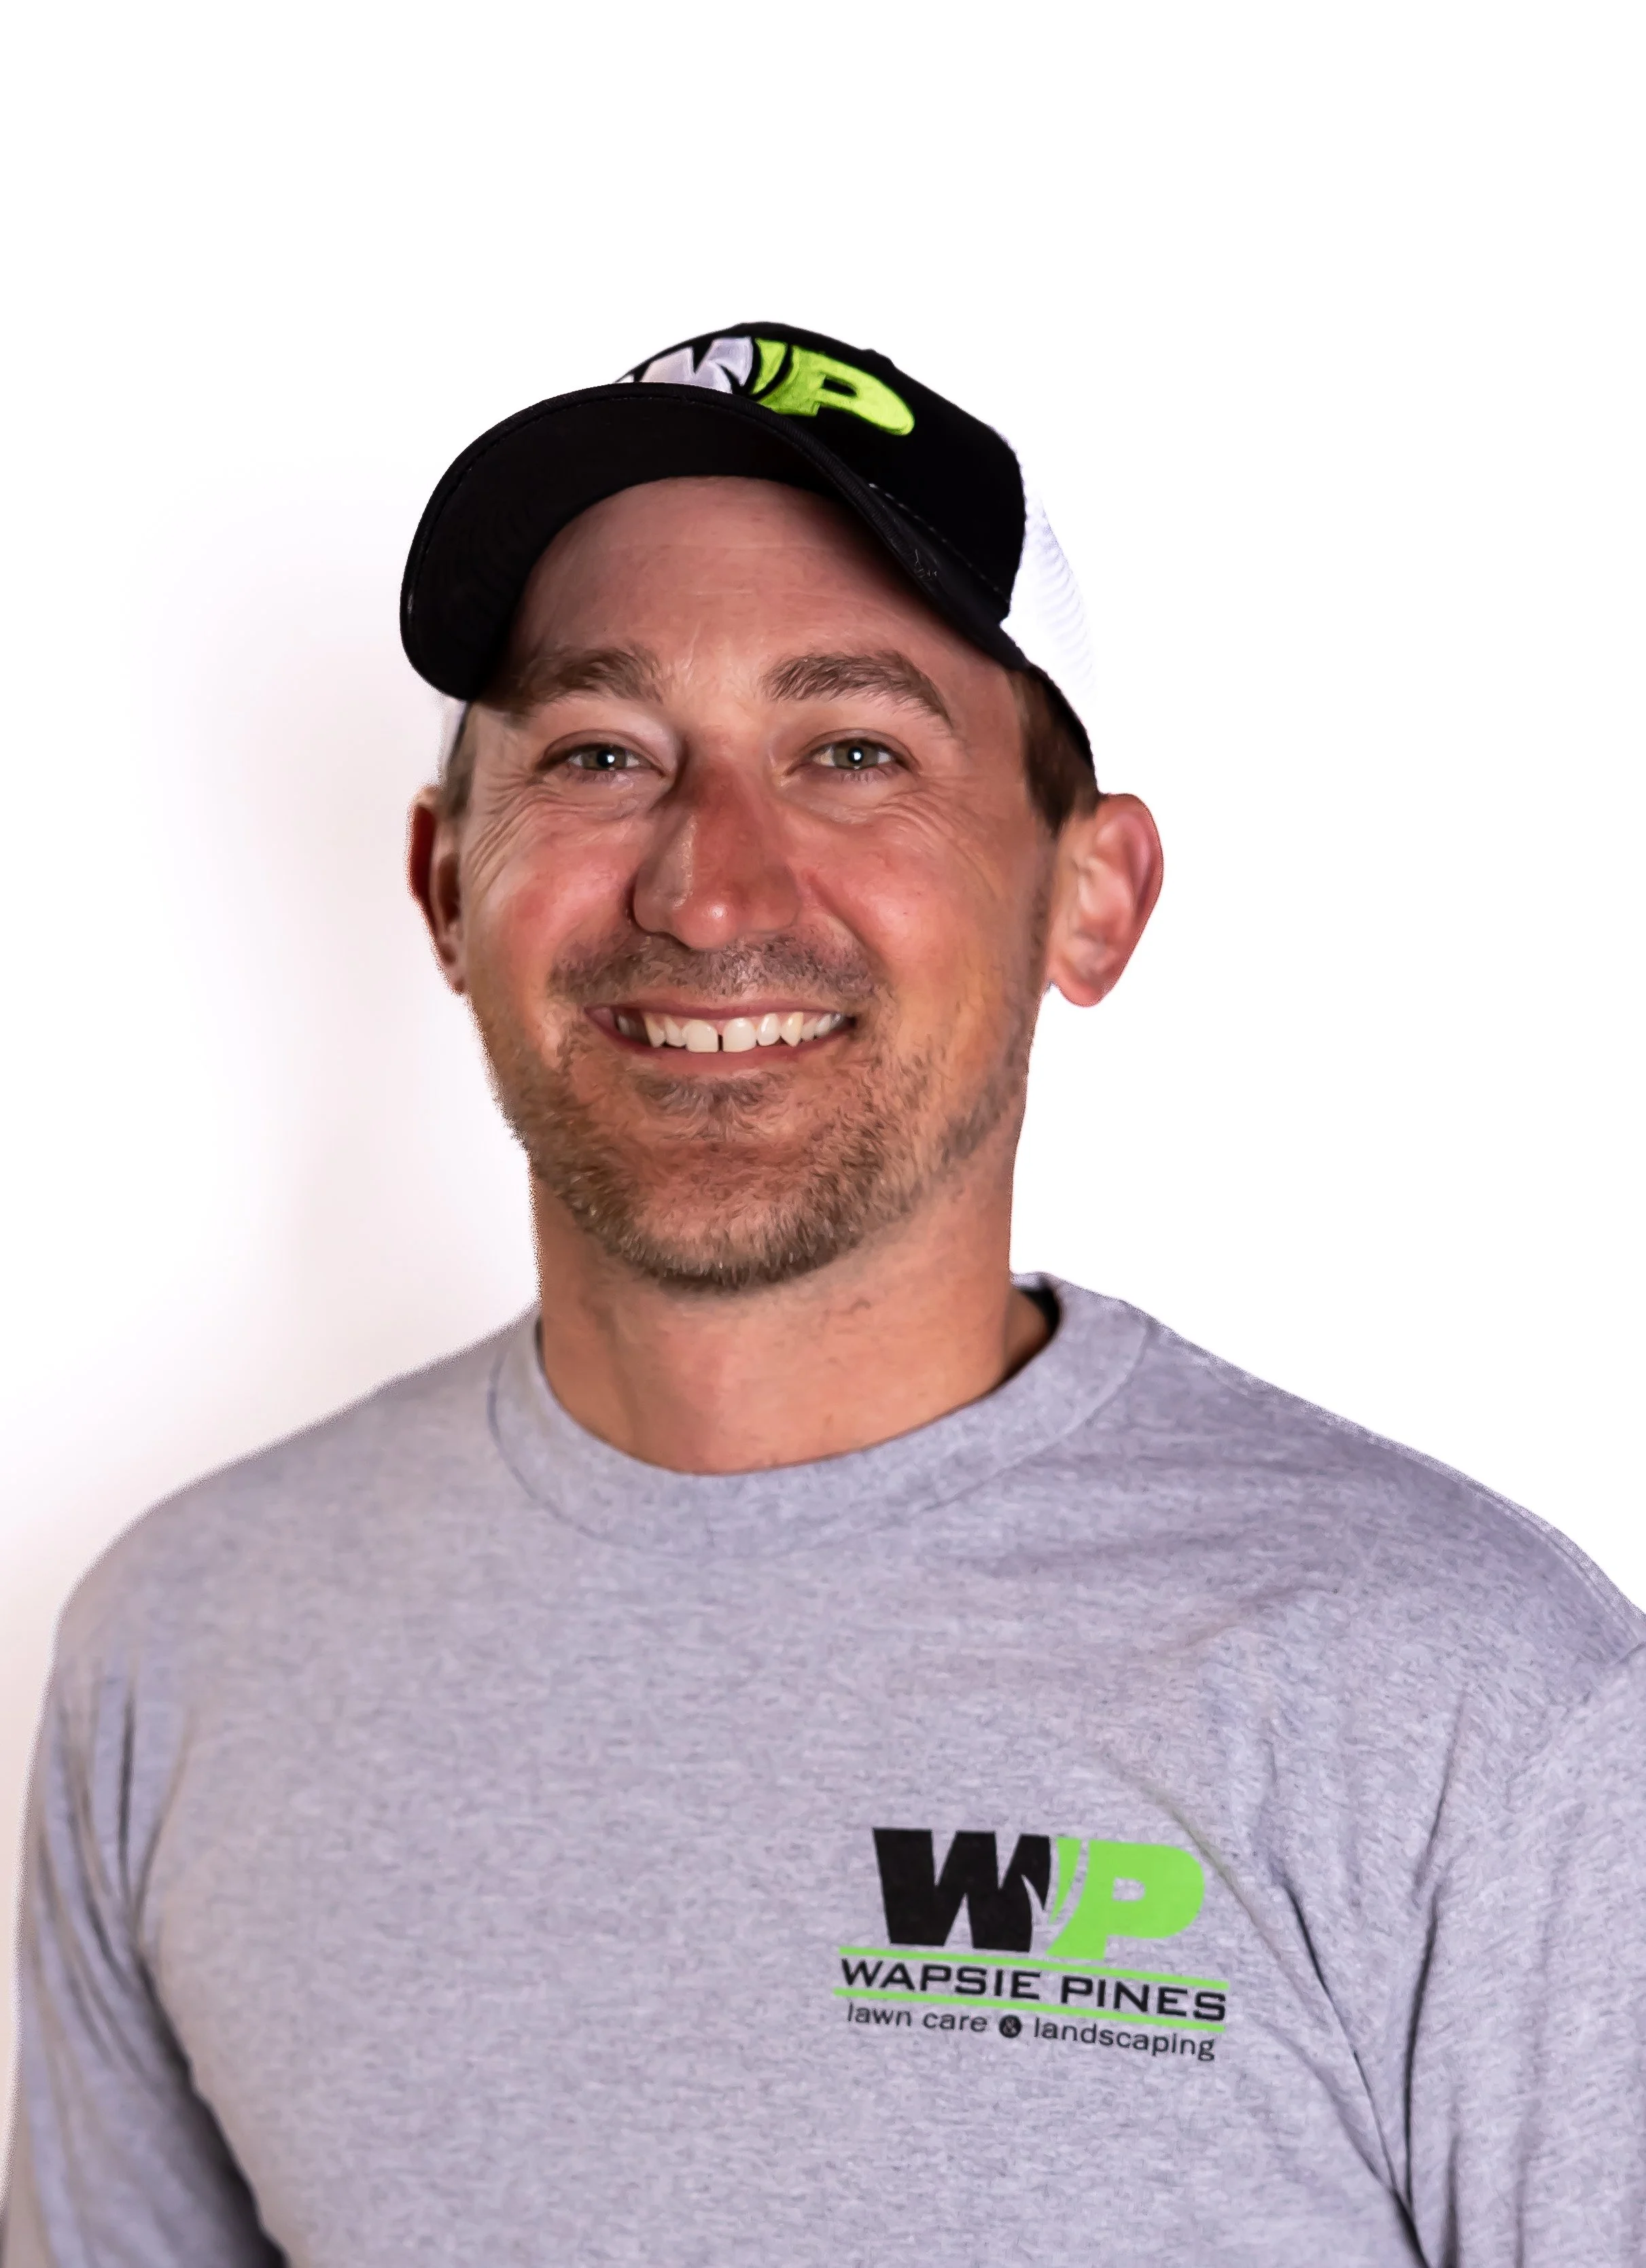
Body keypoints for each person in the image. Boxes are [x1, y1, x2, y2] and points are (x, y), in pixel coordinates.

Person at [3, 323, 1642, 2268]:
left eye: (854, 752)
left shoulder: (1466, 1702)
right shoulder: (186, 1649)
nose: (709, 892)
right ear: (446, 887)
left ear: (1092, 896)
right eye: (600, 756)